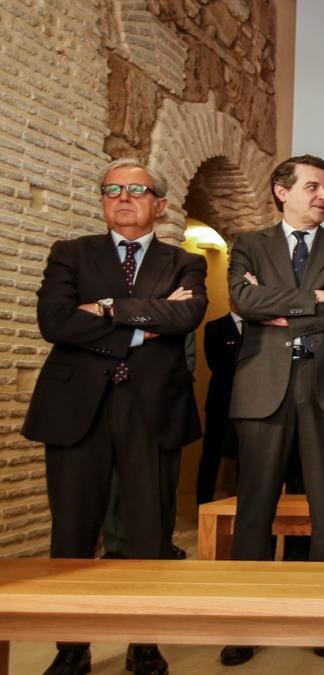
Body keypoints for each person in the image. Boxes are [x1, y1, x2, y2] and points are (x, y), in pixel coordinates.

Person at [23, 158, 207, 675]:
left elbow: (187, 315)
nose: (123, 197)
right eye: (112, 190)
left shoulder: (183, 260)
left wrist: (102, 308)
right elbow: (54, 322)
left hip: (152, 408)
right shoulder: (71, 254)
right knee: (73, 533)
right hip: (77, 407)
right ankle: (71, 649)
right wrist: (142, 321)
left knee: (151, 534)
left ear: (160, 204)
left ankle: (145, 644)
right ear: (103, 200)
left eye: (136, 190)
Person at [221, 154, 324, 666]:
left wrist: (282, 306)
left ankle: (323, 618)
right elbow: (242, 300)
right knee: (254, 510)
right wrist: (313, 300)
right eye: (313, 186)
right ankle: (245, 621)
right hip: (263, 388)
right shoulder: (250, 245)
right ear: (282, 192)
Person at [196, 308, 243, 505]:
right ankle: (203, 503)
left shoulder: (257, 327)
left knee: (247, 455)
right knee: (212, 454)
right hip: (221, 401)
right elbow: (214, 363)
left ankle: (245, 503)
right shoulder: (215, 327)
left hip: (250, 403)